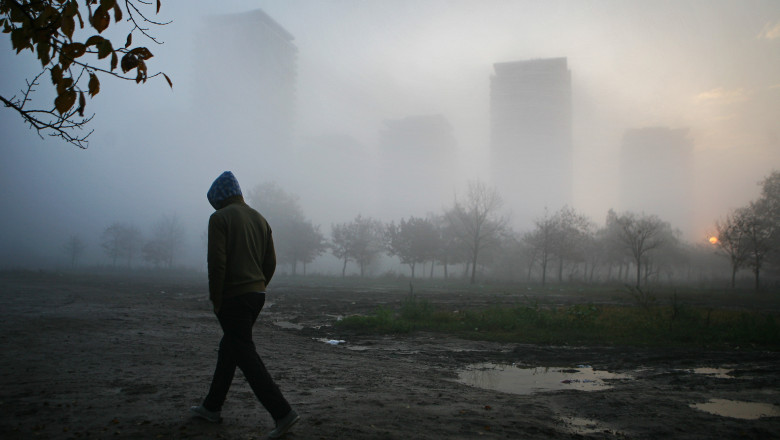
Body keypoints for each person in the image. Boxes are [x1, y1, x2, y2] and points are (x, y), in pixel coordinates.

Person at [190, 171, 299, 439]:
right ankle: (211, 407)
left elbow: (217, 263)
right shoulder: (260, 219)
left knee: (244, 353)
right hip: (256, 295)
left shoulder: (219, 218)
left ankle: (282, 412)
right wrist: (259, 285)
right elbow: (270, 262)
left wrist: (216, 298)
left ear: (219, 198)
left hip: (233, 297)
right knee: (231, 347)